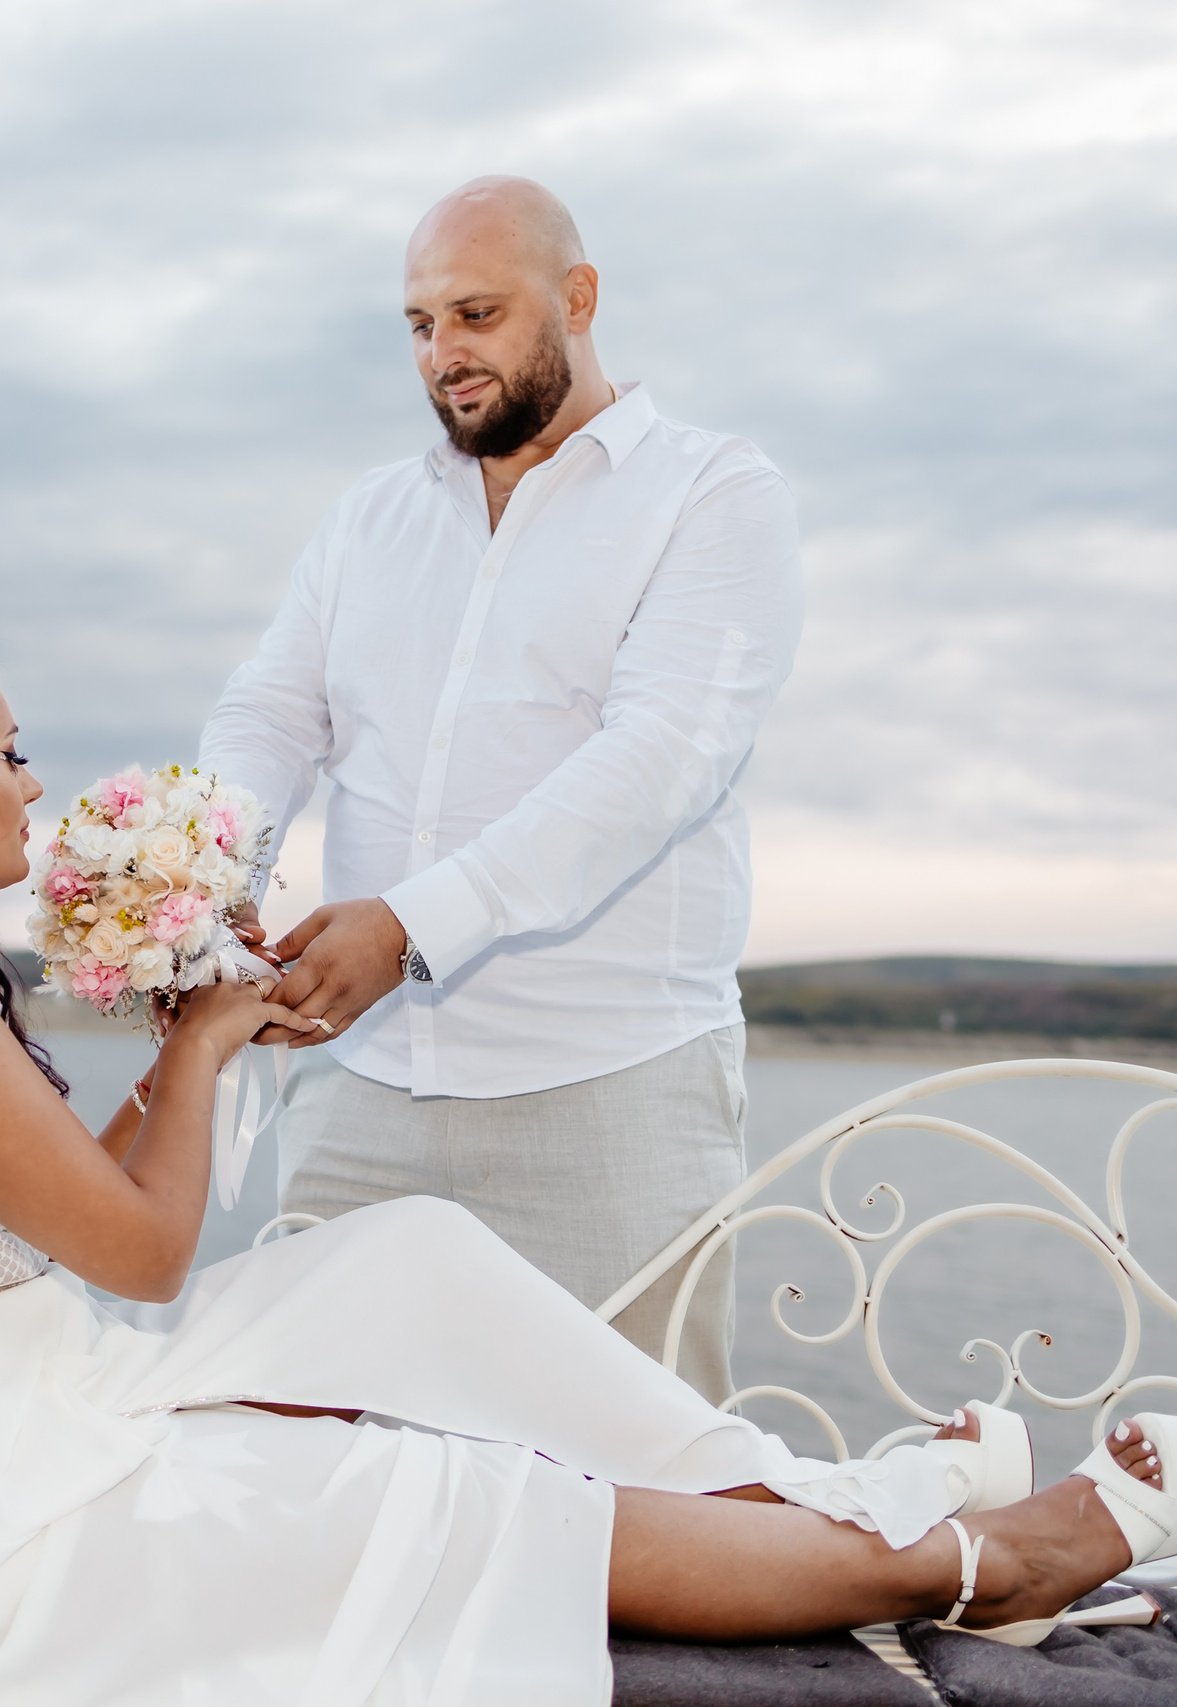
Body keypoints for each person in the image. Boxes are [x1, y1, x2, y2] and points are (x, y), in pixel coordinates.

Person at [0, 614, 1177, 1707]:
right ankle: (958, 1561)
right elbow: (137, 1252)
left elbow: (70, 1196)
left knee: (405, 1273)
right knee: (474, 1500)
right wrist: (200, 1046)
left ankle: (818, 1497)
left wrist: (191, 1049)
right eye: (10, 750)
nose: (31, 783)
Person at [199, 176, 804, 1401]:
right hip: (357, 1088)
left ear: (577, 299)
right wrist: (210, 884)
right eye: (420, 326)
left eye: (475, 314)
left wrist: (412, 927)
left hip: (610, 1092)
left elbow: (662, 762)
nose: (444, 354)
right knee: (325, 1464)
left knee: (639, 1503)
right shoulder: (369, 518)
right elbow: (271, 711)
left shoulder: (714, 494)